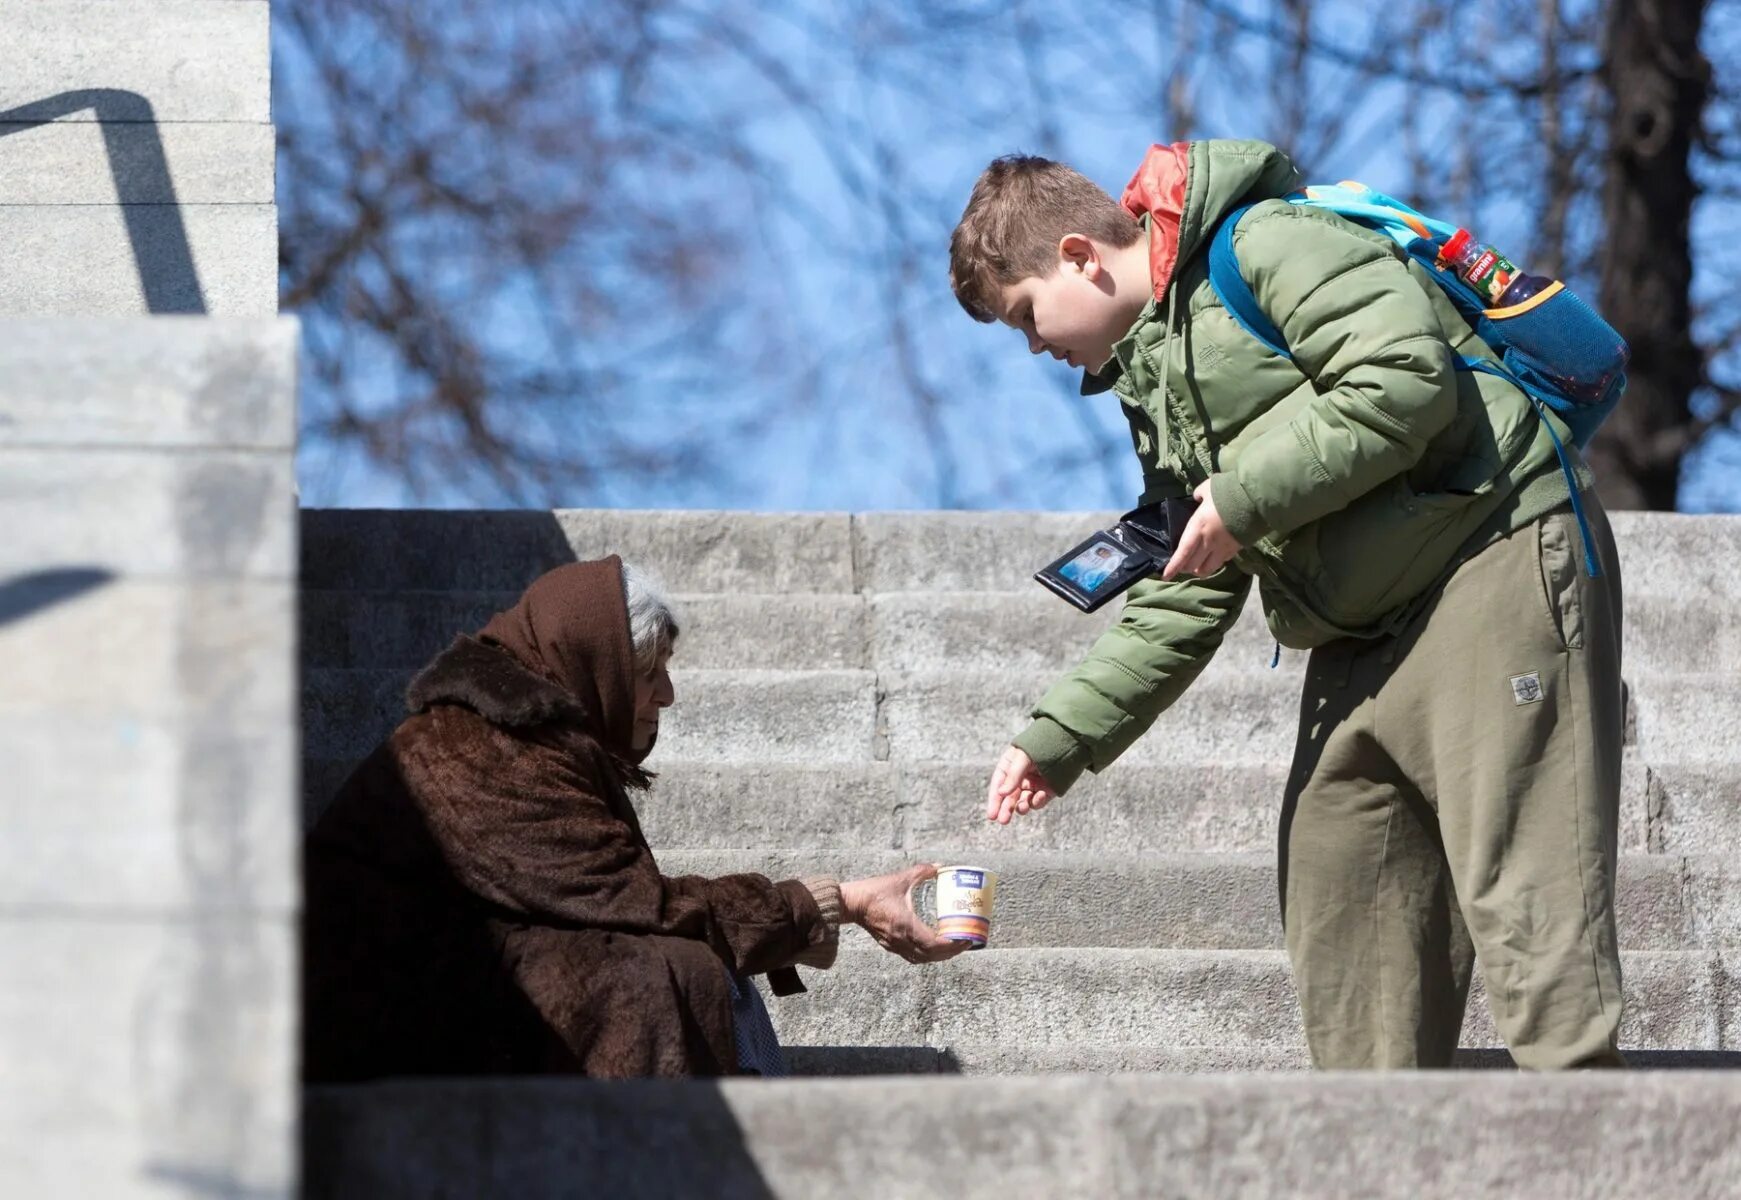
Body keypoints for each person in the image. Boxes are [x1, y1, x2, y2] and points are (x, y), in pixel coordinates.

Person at [948, 139, 1625, 1070]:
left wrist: (1237, 496)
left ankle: (1598, 1140)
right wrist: (1055, 737)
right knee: (1343, 905)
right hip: (1357, 631)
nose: (1034, 348)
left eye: (1025, 317)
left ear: (1075, 255)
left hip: (1491, 552)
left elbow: (1401, 377)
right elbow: (1191, 583)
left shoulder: (1266, 240)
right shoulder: (1152, 374)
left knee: (1530, 903)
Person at [302, 556, 963, 1082]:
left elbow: (623, 903)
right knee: (672, 976)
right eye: (651, 672)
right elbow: (640, 905)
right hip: (366, 1019)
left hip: (424, 992)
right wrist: (837, 901)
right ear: (598, 666)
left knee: (691, 972)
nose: (667, 696)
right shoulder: (479, 746)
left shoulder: (522, 734)